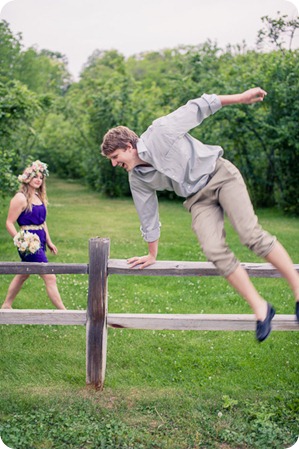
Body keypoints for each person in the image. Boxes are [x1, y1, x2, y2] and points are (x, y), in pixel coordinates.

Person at [101, 87, 299, 342]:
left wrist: (240, 98)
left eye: (116, 157)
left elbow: (199, 106)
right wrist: (152, 253)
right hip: (197, 199)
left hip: (220, 175)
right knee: (213, 249)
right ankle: (261, 308)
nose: (115, 164)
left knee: (250, 235)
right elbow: (147, 213)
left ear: (129, 146)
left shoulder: (161, 131)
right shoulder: (136, 177)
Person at [1, 160, 66, 310]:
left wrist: (49, 241)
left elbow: (43, 222)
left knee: (24, 273)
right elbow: (9, 223)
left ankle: (6, 305)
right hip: (28, 243)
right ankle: (64, 311)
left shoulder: (38, 196)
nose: (38, 179)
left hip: (40, 239)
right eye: (35, 176)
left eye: (41, 177)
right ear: (27, 178)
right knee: (49, 276)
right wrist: (21, 240)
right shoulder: (20, 198)